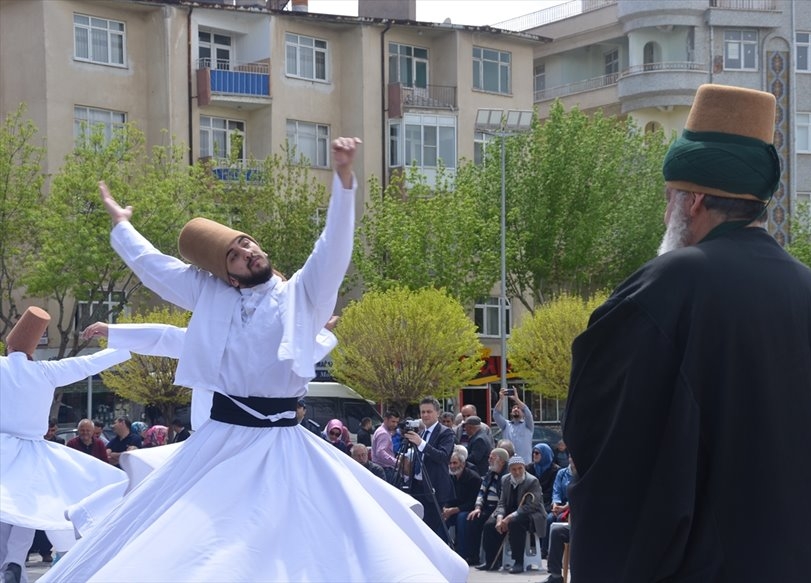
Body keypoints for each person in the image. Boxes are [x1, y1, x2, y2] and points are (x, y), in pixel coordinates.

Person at [43, 137, 466, 583]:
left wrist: (343, 184)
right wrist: (123, 226)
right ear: (228, 275)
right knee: (200, 543)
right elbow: (157, 274)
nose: (247, 252)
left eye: (247, 244)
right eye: (235, 255)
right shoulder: (212, 296)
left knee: (299, 543)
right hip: (222, 440)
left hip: (282, 442)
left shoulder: (297, 297)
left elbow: (332, 252)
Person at [563, 84, 811, 581]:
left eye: (667, 197)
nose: (665, 211)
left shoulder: (671, 283)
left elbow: (612, 452)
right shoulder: (807, 289)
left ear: (691, 200)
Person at [0, 307, 129, 583]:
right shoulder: (46, 371)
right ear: (33, 350)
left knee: (5, 509)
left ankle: (8, 564)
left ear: (10, 345)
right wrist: (126, 345)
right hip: (33, 451)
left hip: (2, 448)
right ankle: (13, 561)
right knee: (29, 510)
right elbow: (88, 364)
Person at [475, 455, 545, 574]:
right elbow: (502, 502)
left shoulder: (532, 481)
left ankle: (518, 562)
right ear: (509, 470)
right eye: (514, 469)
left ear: (524, 468)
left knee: (515, 523)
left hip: (530, 514)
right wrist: (500, 518)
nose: (517, 472)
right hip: (509, 512)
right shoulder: (505, 480)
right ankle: (491, 561)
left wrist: (509, 518)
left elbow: (531, 505)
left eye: (520, 469)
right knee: (489, 525)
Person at [403, 396, 456, 542]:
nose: (425, 415)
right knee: (417, 528)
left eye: (429, 412)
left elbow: (443, 457)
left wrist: (421, 444)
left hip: (435, 488)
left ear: (437, 413)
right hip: (418, 487)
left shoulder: (445, 433)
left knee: (430, 530)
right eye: (422, 412)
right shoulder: (421, 433)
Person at [465, 448, 509, 566]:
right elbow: (481, 491)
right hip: (486, 507)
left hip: (500, 509)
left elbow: (504, 500)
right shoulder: (490, 474)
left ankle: (492, 561)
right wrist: (478, 507)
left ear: (501, 461)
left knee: (490, 526)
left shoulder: (506, 476)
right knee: (472, 519)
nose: (489, 460)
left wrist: (497, 513)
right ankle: (473, 556)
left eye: (492, 458)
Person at [442, 445, 481, 561]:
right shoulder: (449, 477)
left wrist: (454, 510)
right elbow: (446, 497)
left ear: (462, 464)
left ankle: (462, 555)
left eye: (455, 463)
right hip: (452, 509)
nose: (452, 466)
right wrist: (445, 509)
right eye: (450, 463)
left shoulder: (473, 478)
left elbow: (472, 502)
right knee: (441, 518)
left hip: (468, 510)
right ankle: (441, 552)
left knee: (462, 518)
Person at [492, 388, 534, 457]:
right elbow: (496, 414)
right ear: (511, 413)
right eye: (514, 408)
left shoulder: (528, 425)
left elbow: (527, 412)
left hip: (525, 464)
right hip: (509, 464)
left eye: (518, 408)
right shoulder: (505, 425)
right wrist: (501, 399)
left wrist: (516, 399)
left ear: (523, 413)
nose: (516, 409)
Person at [372, 409, 400, 482]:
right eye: (393, 421)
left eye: (397, 422)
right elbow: (380, 452)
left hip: (382, 468)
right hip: (384, 469)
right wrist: (396, 462)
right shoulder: (383, 433)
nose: (395, 425)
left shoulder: (381, 431)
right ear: (385, 419)